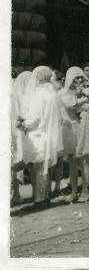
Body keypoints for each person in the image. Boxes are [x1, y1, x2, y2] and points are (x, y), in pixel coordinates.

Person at [20, 66, 62, 209]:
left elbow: (36, 117)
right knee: (44, 168)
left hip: (38, 134)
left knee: (39, 169)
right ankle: (45, 196)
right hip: (47, 134)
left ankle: (40, 199)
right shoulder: (51, 93)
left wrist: (23, 124)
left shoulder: (39, 94)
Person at [58, 66, 89, 203]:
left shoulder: (80, 92)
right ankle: (75, 190)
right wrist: (87, 99)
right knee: (72, 162)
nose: (80, 80)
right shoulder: (64, 93)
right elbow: (72, 105)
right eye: (76, 78)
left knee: (84, 160)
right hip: (69, 129)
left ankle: (86, 190)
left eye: (81, 77)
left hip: (80, 126)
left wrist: (88, 97)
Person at [11, 71, 32, 205]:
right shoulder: (14, 88)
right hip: (13, 128)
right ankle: (15, 194)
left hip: (11, 129)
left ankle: (15, 194)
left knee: (11, 164)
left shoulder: (13, 88)